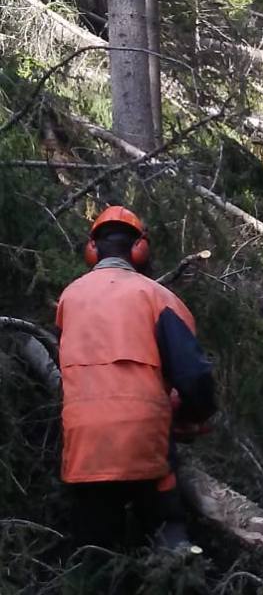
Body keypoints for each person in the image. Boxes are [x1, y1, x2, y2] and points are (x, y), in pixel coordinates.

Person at [56, 206, 216, 551]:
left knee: (95, 548)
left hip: (83, 448)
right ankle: (173, 557)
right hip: (144, 443)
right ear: (140, 248)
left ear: (92, 249)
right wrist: (191, 416)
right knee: (166, 527)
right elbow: (195, 377)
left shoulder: (68, 299)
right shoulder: (158, 298)